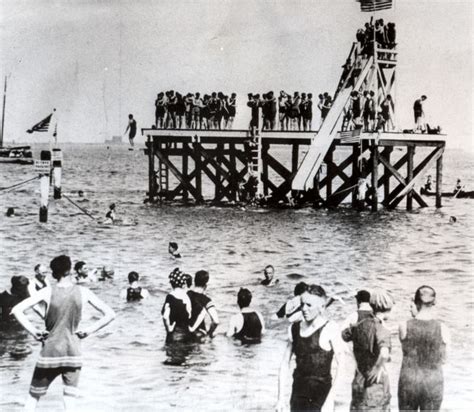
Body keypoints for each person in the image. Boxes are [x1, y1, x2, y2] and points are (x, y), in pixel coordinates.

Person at [11, 255, 115, 412]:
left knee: (33, 397)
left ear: (53, 273)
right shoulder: (83, 291)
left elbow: (16, 310)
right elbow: (110, 314)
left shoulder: (47, 292)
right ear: (71, 270)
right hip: (73, 352)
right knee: (69, 400)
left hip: (50, 352)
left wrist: (34, 332)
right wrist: (88, 331)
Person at [276, 284, 345, 412]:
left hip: (321, 398)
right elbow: (284, 363)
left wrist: (330, 400)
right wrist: (280, 399)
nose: (304, 309)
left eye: (309, 305)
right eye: (302, 304)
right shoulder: (294, 329)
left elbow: (342, 366)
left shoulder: (330, 328)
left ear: (322, 307)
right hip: (297, 395)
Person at [342, 288, 394, 412]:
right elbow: (384, 354)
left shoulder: (358, 324)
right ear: (387, 308)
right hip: (376, 383)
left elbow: (344, 336)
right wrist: (377, 367)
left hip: (359, 377)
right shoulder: (382, 329)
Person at [398, 286, 450, 411]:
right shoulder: (443, 328)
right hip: (433, 381)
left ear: (415, 302)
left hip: (409, 381)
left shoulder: (404, 325)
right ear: (434, 303)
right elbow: (444, 359)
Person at [161, 268, 192, 343]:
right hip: (186, 334)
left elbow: (165, 316)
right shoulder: (186, 297)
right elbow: (189, 315)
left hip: (174, 334)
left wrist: (169, 329)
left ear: (171, 283)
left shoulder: (170, 297)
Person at [187, 270, 219, 338]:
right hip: (199, 332)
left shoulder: (186, 295)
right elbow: (216, 321)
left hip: (185, 331)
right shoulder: (206, 300)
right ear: (206, 284)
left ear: (194, 281)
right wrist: (209, 333)